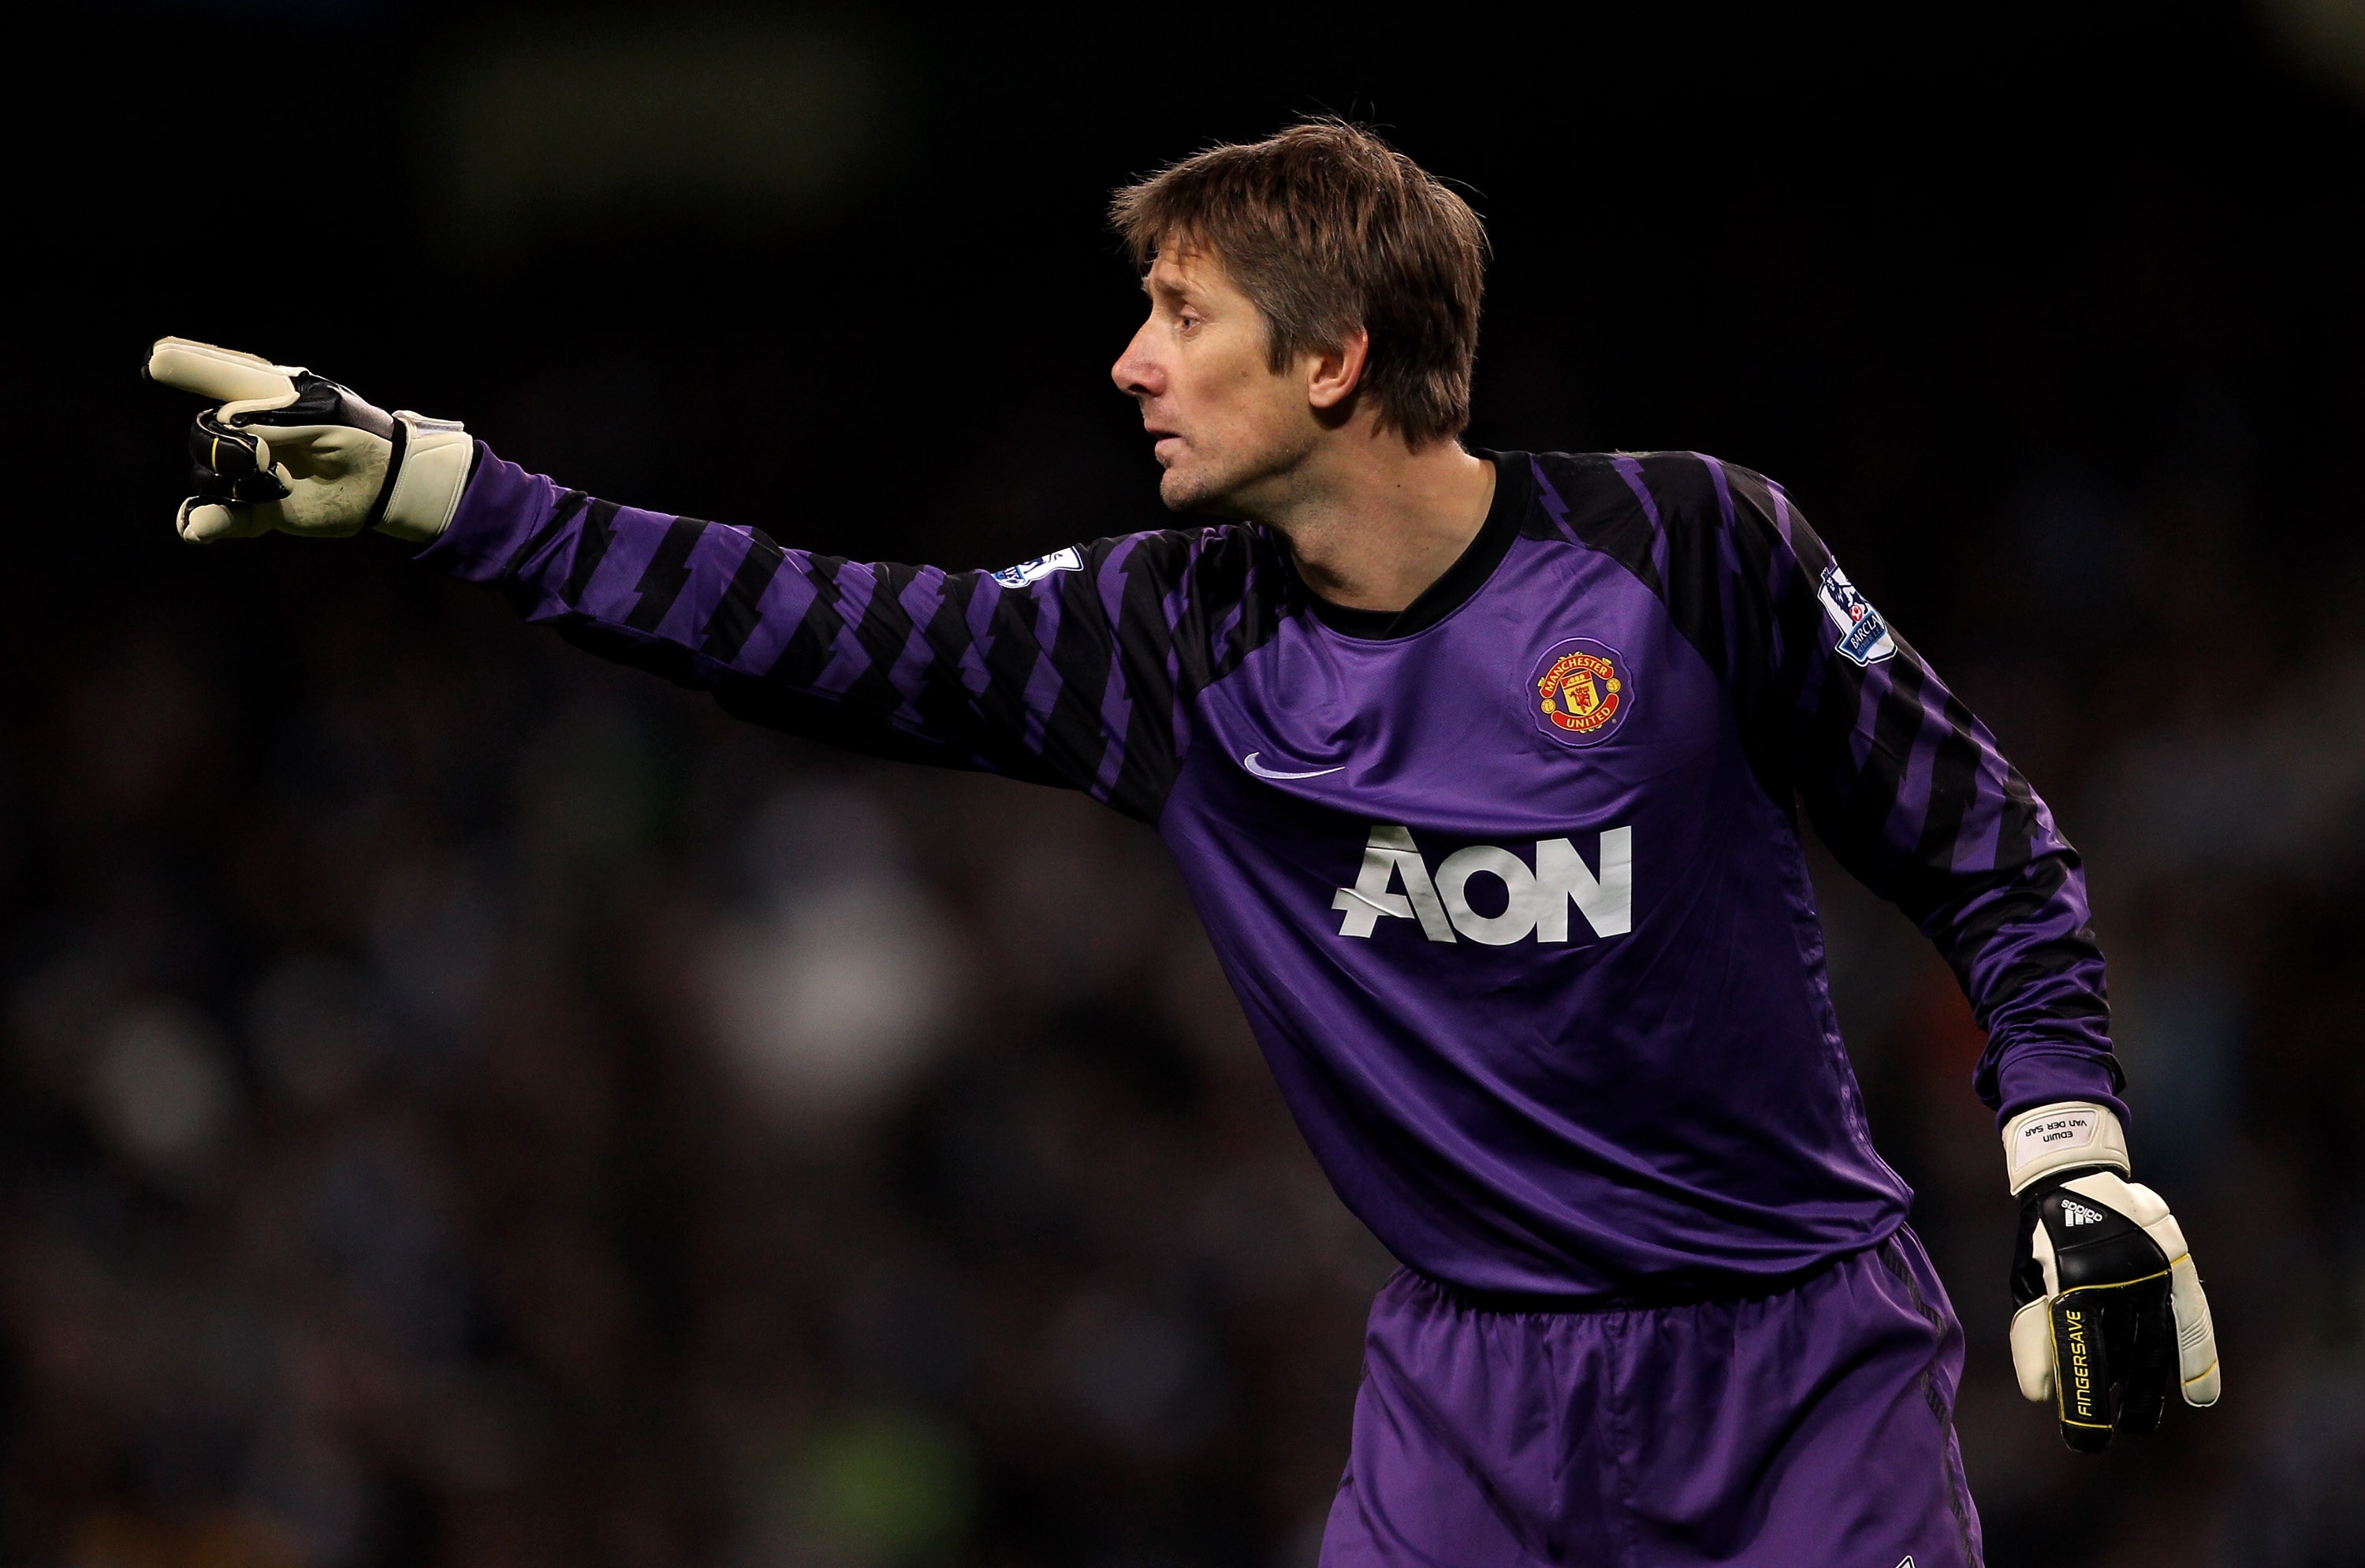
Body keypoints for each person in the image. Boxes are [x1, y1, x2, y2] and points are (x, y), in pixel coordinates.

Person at [144, 119, 2217, 1568]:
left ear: (1333, 356)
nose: (1130, 362)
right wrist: (445, 489)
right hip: (1470, 1414)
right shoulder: (1164, 640)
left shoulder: (1689, 547)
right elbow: (808, 626)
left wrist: (2073, 1157)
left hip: (1798, 1375)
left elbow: (1986, 848)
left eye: (1180, 313)